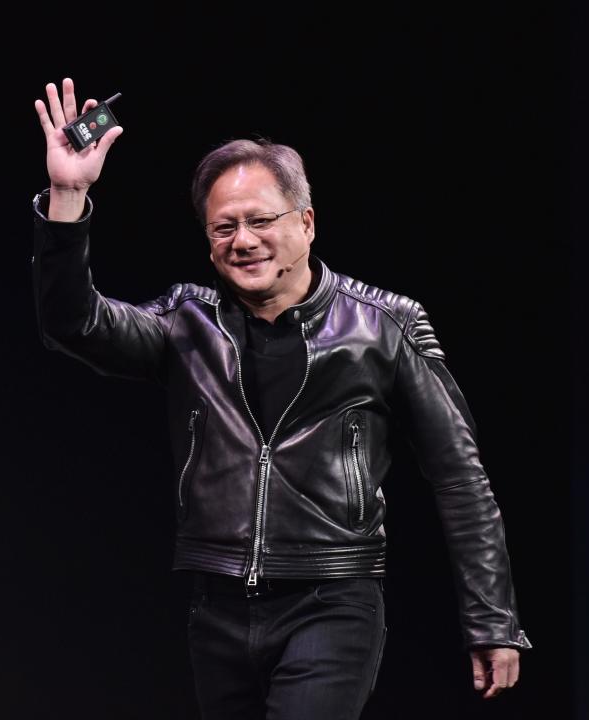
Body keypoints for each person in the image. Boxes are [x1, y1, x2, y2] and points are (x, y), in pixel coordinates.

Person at [31, 78, 531, 720]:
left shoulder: (384, 326)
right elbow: (74, 325)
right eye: (224, 228)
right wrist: (69, 196)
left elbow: (460, 477)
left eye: (261, 221)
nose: (243, 241)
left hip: (332, 600)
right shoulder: (188, 322)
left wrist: (492, 619)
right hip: (217, 606)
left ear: (307, 221)